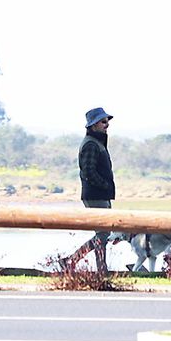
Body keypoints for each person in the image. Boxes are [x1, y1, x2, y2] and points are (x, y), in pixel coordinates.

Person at [75, 107, 115, 271]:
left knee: (104, 233)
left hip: (101, 195)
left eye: (107, 122)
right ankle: (99, 268)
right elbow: (88, 171)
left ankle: (97, 267)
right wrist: (105, 186)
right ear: (93, 125)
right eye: (103, 121)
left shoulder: (97, 142)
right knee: (103, 233)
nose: (107, 125)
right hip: (95, 195)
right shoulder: (91, 144)